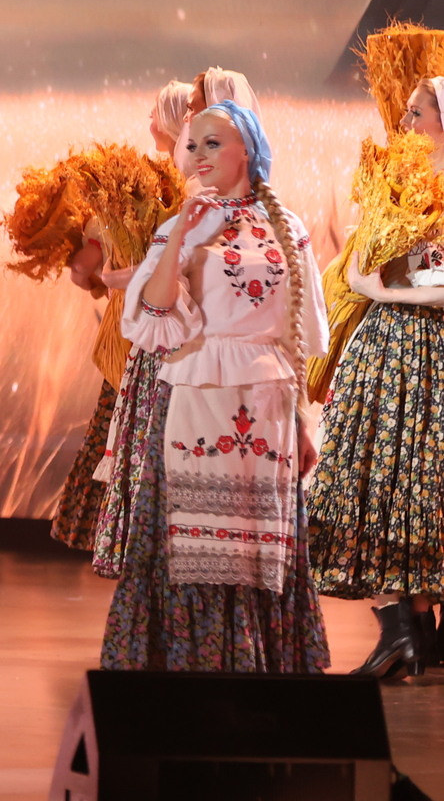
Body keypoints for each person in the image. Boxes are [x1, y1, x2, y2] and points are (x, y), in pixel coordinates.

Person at [100, 100, 330, 671]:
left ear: (246, 149)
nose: (198, 155)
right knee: (193, 541)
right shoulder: (182, 225)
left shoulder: (287, 226)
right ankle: (192, 665)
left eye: (212, 143)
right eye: (192, 145)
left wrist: (304, 421)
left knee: (256, 546)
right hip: (198, 393)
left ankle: (257, 667)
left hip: (268, 402)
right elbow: (154, 314)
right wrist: (183, 228)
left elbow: (296, 334)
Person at [307, 75, 444, 676]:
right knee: (378, 479)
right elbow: (362, 267)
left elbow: (415, 283)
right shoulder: (394, 181)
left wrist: (392, 289)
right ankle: (404, 630)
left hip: (428, 346)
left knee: (422, 486)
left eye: (418, 112)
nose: (406, 122)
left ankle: (416, 632)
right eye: (407, 112)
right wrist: (384, 284)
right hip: (386, 348)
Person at [47, 80, 193, 550]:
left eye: (155, 111)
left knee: (132, 433)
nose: (149, 119)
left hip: (150, 339)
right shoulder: (161, 189)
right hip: (154, 334)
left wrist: (108, 277)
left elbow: (89, 270)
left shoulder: (159, 193)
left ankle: (128, 537)